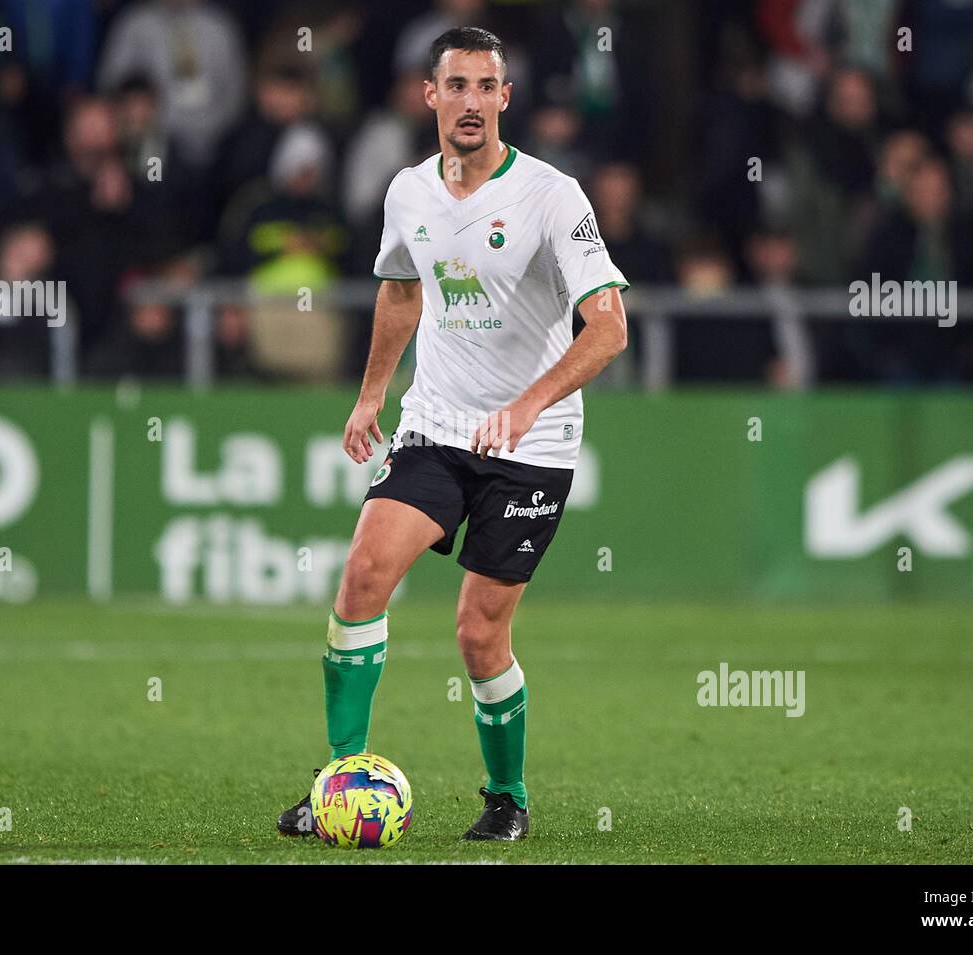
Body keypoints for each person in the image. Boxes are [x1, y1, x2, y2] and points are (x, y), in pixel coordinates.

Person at [276, 27, 628, 842]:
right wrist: (371, 398)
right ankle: (339, 780)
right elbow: (401, 292)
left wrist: (532, 404)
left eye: (486, 86)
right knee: (363, 573)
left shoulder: (551, 195)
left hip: (531, 447)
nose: (471, 101)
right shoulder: (408, 192)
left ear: (506, 98)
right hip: (434, 424)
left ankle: (507, 797)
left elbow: (607, 329)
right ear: (428, 95)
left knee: (478, 633)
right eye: (456, 84)